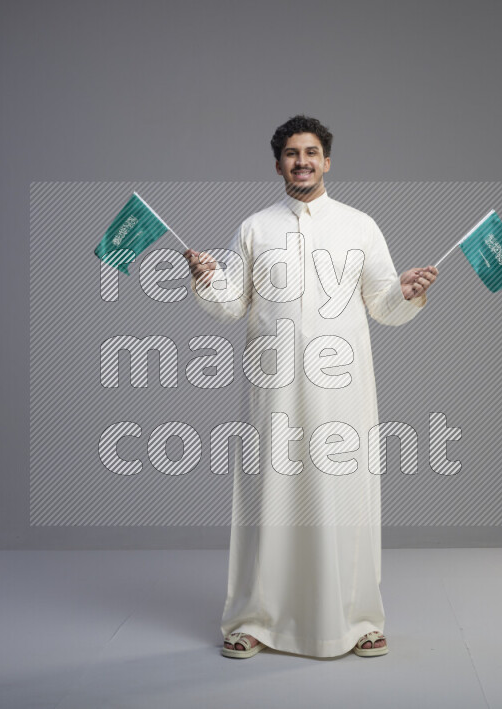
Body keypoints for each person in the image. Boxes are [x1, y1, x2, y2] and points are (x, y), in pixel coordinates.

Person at [183, 115, 437, 659]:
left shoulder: (359, 227)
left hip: (342, 391)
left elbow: (383, 305)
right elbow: (230, 305)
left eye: (312, 152)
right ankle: (254, 621)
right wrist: (207, 278)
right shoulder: (255, 228)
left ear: (327, 161)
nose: (302, 161)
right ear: (278, 165)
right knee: (268, 499)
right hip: (273, 390)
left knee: (346, 497)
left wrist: (408, 291)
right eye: (292, 153)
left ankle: (358, 619)